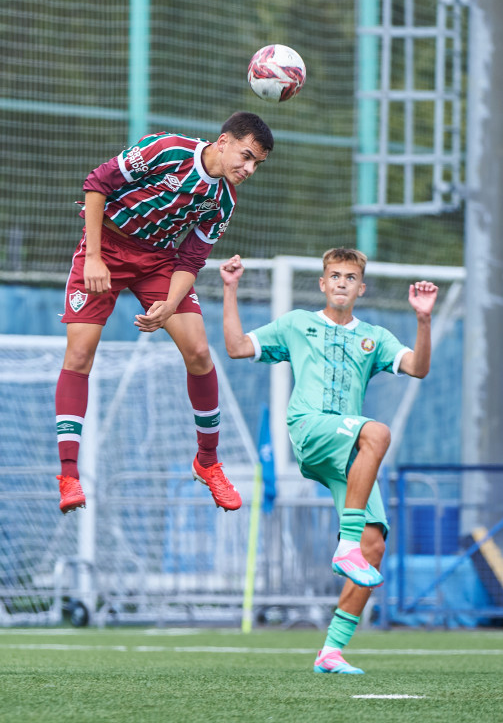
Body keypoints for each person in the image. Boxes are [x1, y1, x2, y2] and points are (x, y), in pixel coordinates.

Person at [220, 247, 438, 674]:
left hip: (349, 452)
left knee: (373, 546)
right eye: (334, 275)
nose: (341, 282)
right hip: (311, 429)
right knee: (378, 432)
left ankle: (331, 652)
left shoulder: (373, 336)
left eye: (350, 277)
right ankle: (345, 545)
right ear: (322, 283)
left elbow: (418, 367)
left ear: (361, 287)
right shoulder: (297, 324)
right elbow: (236, 347)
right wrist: (230, 289)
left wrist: (423, 319)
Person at [55, 112, 274, 515]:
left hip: (158, 262)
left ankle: (207, 461)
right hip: (106, 245)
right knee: (80, 355)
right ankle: (69, 473)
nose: (249, 169)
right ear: (223, 141)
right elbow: (97, 183)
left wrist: (170, 305)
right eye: (245, 156)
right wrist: (95, 258)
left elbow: (190, 259)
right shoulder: (167, 150)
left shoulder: (223, 200)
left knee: (199, 352)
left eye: (256, 163)